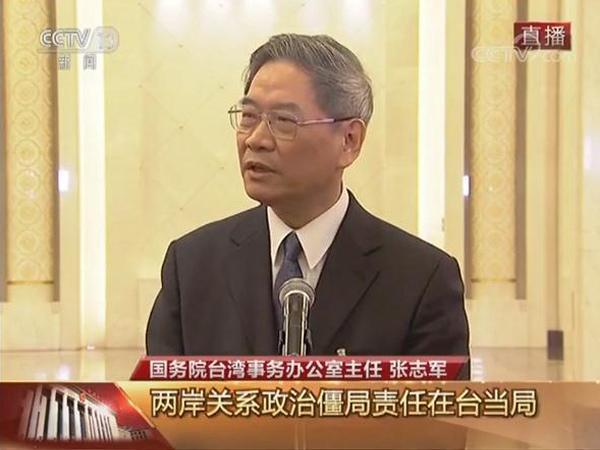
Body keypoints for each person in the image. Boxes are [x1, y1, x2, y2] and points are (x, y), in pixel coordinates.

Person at [146, 33, 470, 378]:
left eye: (283, 121)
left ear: (349, 140)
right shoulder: (191, 266)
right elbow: (159, 404)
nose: (255, 140)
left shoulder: (421, 280)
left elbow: (436, 413)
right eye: (248, 116)